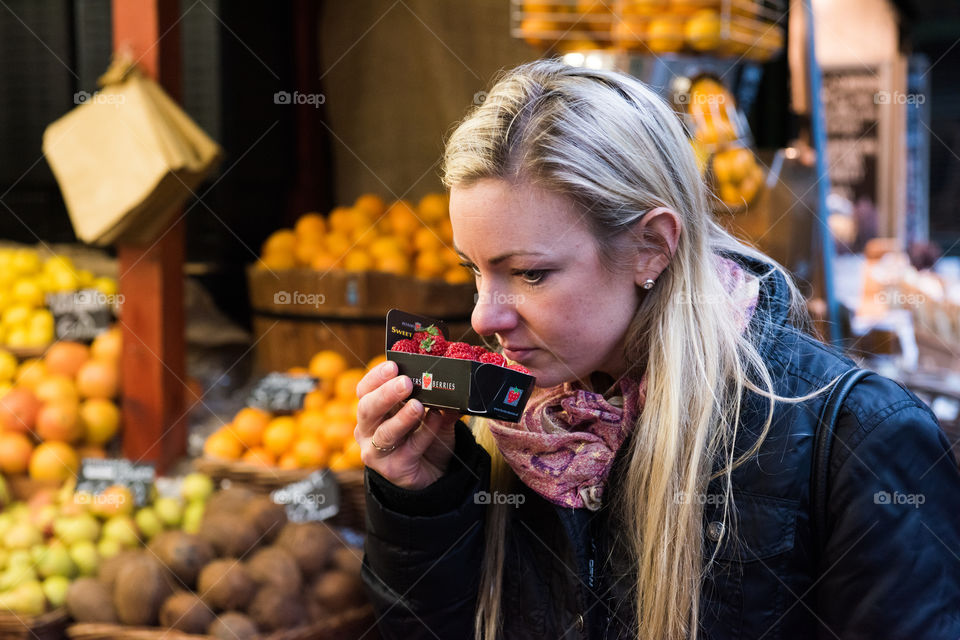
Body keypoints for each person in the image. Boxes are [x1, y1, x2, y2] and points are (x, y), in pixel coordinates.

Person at [353, 60, 960, 640]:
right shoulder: (517, 429)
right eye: (475, 271)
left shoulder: (859, 439)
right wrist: (422, 503)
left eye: (530, 274)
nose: (485, 316)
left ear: (651, 246)